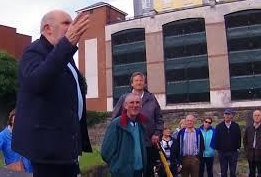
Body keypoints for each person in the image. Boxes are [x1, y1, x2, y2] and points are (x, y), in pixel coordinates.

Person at [12, 10, 92, 177]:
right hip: (47, 150)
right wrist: (67, 45)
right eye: (66, 23)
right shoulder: (33, 52)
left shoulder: (66, 55)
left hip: (66, 146)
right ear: (48, 28)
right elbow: (36, 82)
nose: (72, 27)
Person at [111, 71, 164, 177]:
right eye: (136, 80)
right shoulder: (124, 98)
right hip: (129, 143)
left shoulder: (151, 98)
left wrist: (157, 134)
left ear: (145, 83)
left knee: (149, 171)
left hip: (148, 142)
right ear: (132, 83)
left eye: (141, 80)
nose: (139, 83)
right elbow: (115, 118)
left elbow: (159, 118)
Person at [101, 93, 147, 177]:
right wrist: (117, 166)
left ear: (141, 106)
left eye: (137, 102)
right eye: (131, 103)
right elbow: (105, 152)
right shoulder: (116, 124)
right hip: (122, 173)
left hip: (139, 172)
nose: (135, 105)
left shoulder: (141, 123)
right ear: (125, 105)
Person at [215, 109, 241, 177]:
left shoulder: (236, 126)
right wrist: (219, 150)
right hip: (223, 153)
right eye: (226, 114)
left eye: (229, 114)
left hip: (233, 152)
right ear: (224, 115)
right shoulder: (219, 126)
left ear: (231, 115)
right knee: (223, 172)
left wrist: (238, 147)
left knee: (233, 172)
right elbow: (216, 139)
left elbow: (239, 137)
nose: (227, 116)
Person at [243, 109, 261, 177]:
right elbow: (245, 140)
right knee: (251, 173)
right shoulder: (249, 127)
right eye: (255, 115)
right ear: (253, 117)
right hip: (251, 155)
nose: (257, 117)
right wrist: (247, 151)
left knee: (260, 173)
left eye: (258, 115)